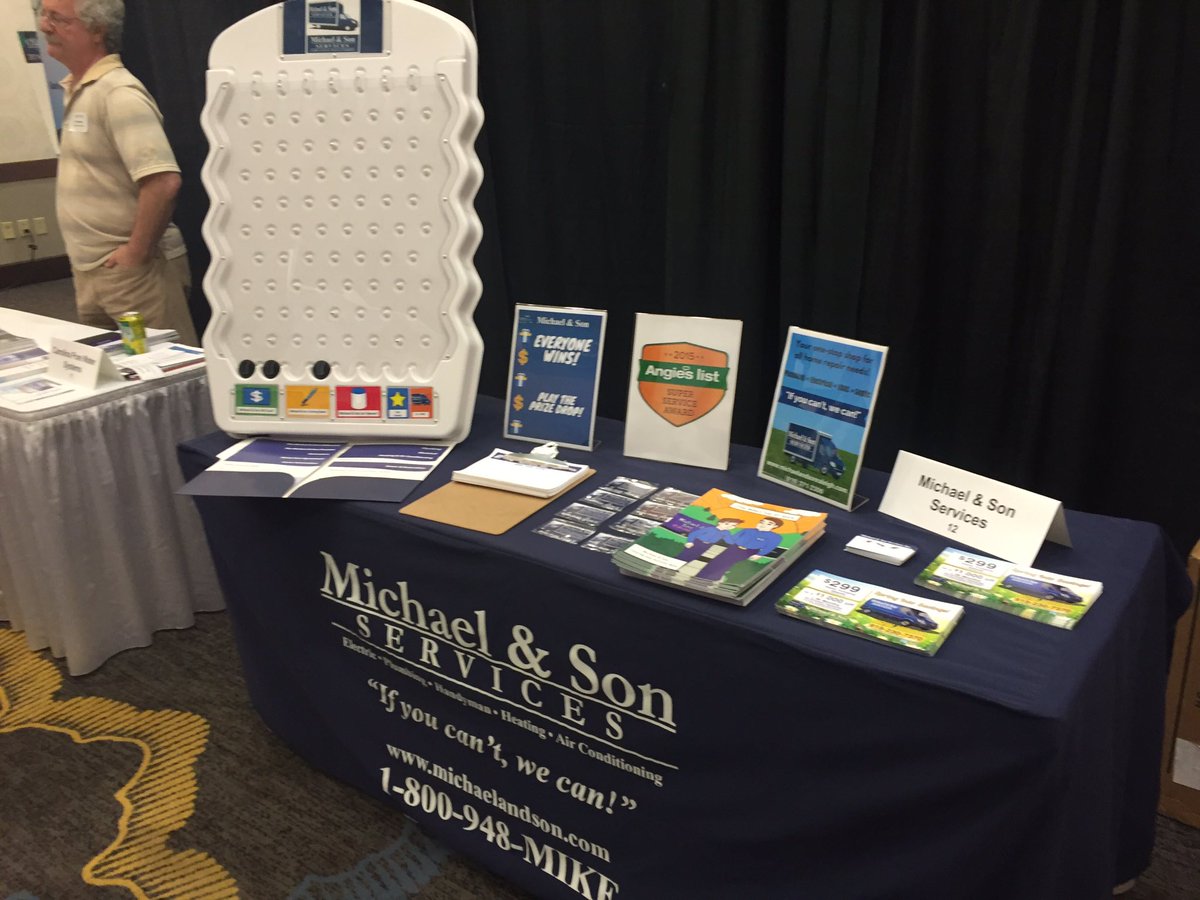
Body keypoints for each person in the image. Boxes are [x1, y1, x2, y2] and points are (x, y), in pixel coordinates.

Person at [42, 0, 199, 345]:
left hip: (134, 274)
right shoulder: (79, 89)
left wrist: (134, 254)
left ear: (97, 30)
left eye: (58, 18)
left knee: (165, 368)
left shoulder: (117, 93)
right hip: (91, 271)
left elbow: (163, 181)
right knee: (112, 370)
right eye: (43, 14)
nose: (44, 26)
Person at [694, 516, 785, 582]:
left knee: (728, 564)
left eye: (769, 524)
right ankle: (700, 576)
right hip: (734, 548)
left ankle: (712, 578)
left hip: (749, 551)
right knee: (717, 560)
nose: (763, 524)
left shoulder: (775, 537)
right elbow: (733, 538)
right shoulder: (747, 530)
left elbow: (770, 547)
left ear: (775, 526)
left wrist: (759, 554)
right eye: (762, 522)